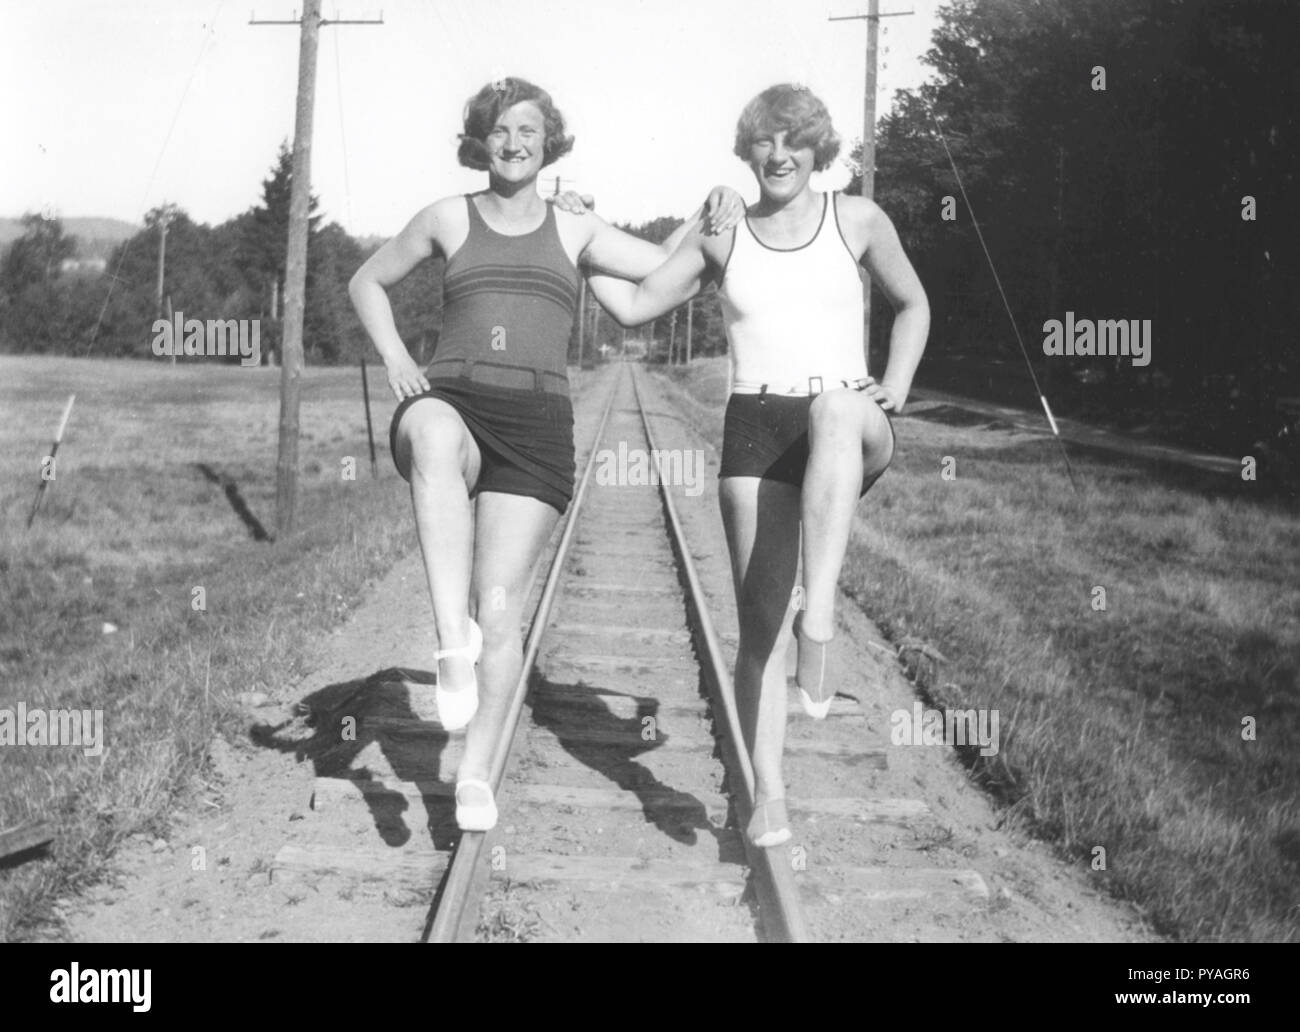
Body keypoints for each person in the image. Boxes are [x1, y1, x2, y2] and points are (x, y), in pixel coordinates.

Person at [348, 77, 742, 832]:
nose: (514, 141)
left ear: (548, 141)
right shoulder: (446, 217)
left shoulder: (575, 228)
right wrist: (398, 356)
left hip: (534, 429)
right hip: (454, 403)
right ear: (480, 140)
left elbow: (659, 263)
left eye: (528, 130)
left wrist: (713, 202)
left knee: (499, 609)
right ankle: (446, 646)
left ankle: (474, 772)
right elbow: (367, 280)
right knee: (428, 434)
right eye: (499, 130)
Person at [586, 83, 930, 847]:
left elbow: (915, 304)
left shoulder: (858, 219)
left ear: (817, 148)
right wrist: (576, 244)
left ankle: (823, 614)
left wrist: (896, 386)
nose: (778, 156)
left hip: (846, 419)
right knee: (758, 631)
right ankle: (767, 793)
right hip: (756, 423)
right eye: (763, 143)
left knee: (837, 409)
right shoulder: (724, 233)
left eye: (793, 142)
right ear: (747, 152)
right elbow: (638, 302)